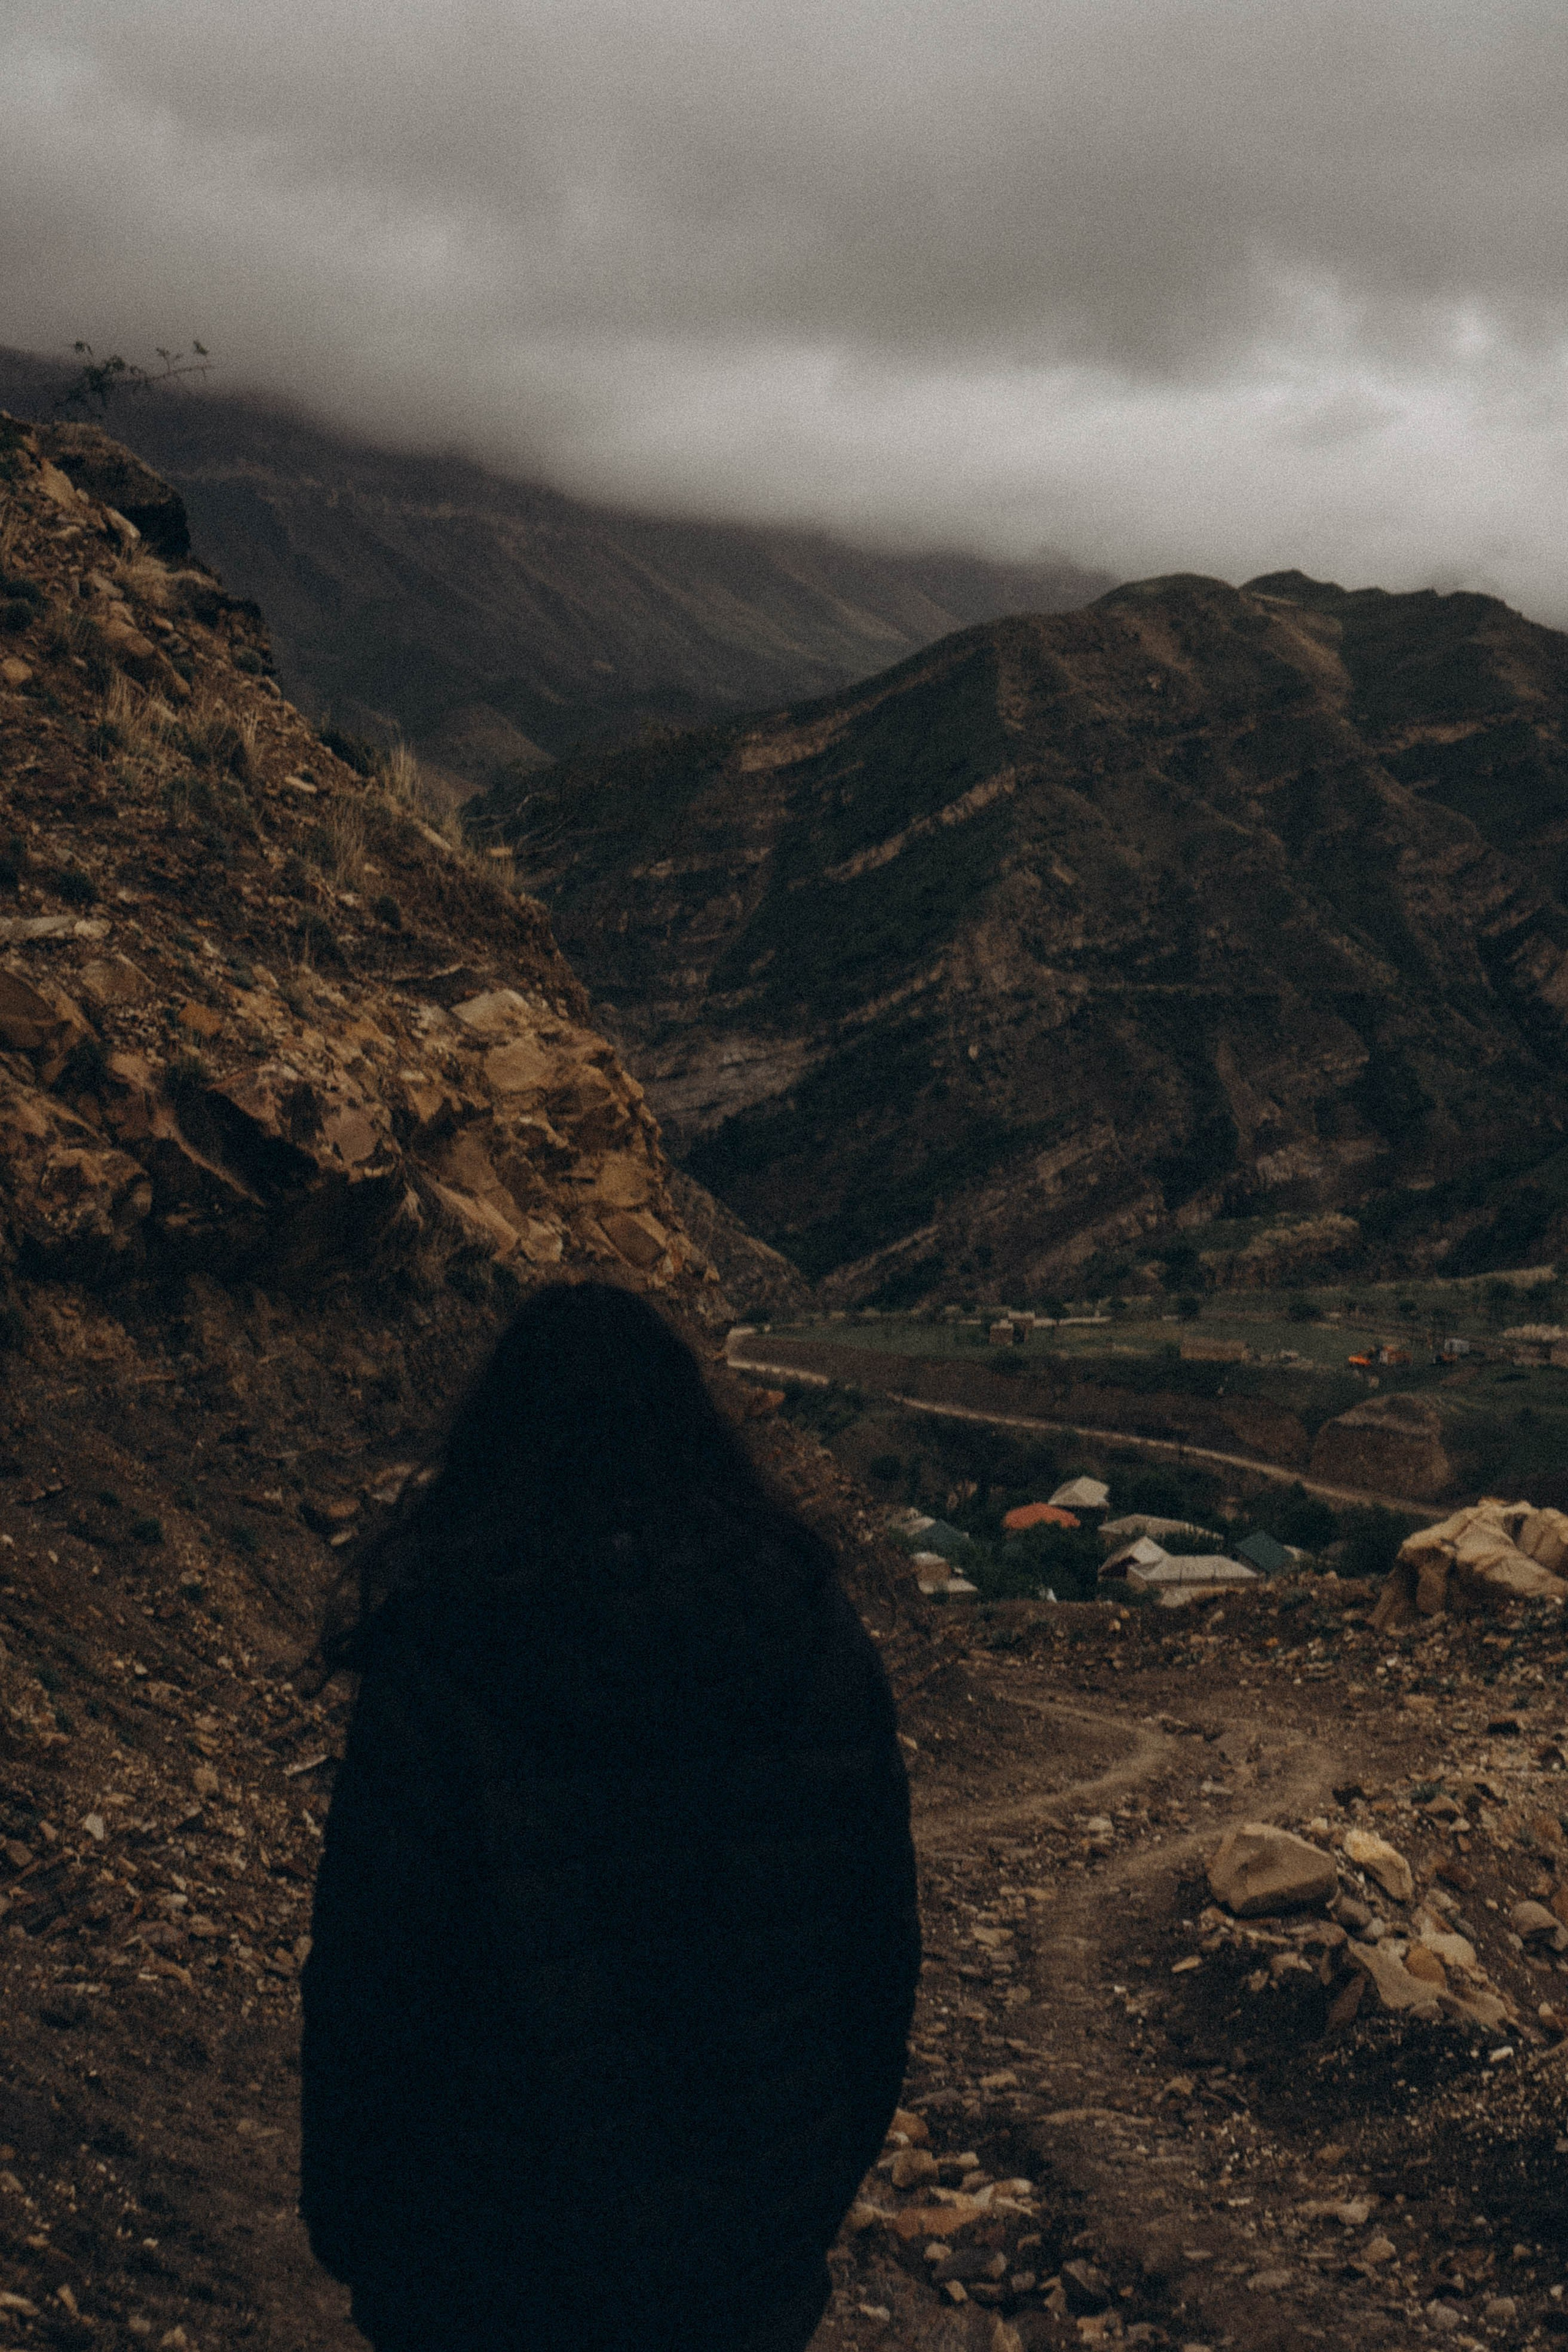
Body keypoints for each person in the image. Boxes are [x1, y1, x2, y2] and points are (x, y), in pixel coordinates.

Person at [299, 1280, 920, 2352]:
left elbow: (373, 1974)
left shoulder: (447, 1644)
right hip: (736, 2269)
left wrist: (357, 2226)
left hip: (484, 2265)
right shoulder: (809, 1629)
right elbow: (877, 1958)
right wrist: (801, 2202)